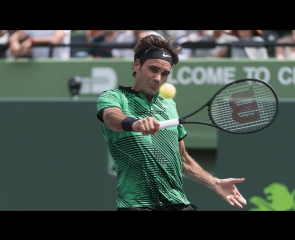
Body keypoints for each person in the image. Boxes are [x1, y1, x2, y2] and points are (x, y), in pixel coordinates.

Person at [96, 34, 247, 211]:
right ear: (137, 65)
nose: (158, 78)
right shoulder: (114, 97)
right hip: (137, 204)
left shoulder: (168, 105)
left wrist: (215, 183)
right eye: (153, 69)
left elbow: (182, 158)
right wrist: (135, 123)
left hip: (177, 204)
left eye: (164, 73)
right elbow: (111, 118)